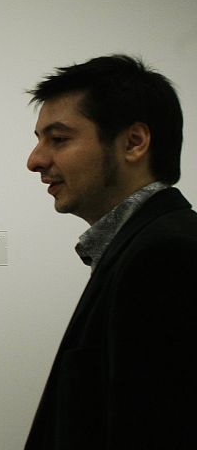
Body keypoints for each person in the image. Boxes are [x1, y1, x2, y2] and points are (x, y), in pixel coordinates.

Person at [25, 54, 197, 449]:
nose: (35, 160)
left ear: (134, 143)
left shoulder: (166, 254)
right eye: (39, 140)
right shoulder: (141, 245)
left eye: (59, 139)